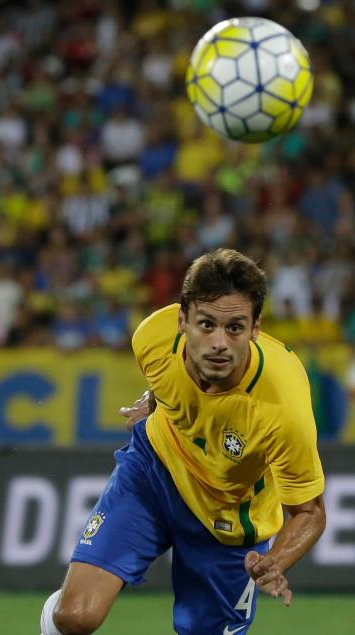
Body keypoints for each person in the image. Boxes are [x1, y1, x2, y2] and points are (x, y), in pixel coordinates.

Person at [40, 248, 326, 635]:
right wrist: (155, 402)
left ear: (256, 328)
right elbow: (166, 381)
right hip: (154, 474)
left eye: (235, 328)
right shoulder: (151, 339)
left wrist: (275, 561)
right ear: (182, 321)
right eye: (206, 325)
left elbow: (310, 513)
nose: (219, 342)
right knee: (75, 617)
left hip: (229, 526)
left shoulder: (283, 409)